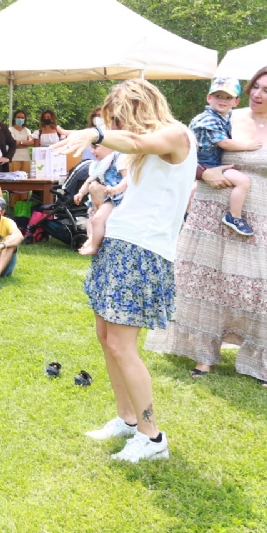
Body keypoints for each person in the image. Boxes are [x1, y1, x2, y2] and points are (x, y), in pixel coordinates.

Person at [53, 78, 196, 463]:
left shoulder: (176, 134)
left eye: (121, 118)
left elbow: (134, 143)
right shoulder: (145, 150)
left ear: (138, 109)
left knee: (121, 344)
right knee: (106, 337)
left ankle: (152, 438)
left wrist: (96, 131)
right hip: (120, 244)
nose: (120, 127)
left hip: (142, 251)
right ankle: (127, 419)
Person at [146, 64, 267, 389]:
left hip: (261, 221)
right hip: (210, 211)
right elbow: (191, 154)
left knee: (259, 291)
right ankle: (204, 354)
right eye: (256, 86)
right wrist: (203, 173)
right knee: (207, 284)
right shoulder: (228, 114)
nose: (257, 94)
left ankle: (262, 362)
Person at [188, 77, 260, 236]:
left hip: (207, 162)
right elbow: (224, 143)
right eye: (218, 96)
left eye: (228, 97)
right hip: (206, 163)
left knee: (195, 188)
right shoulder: (208, 118)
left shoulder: (224, 116)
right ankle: (234, 216)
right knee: (243, 181)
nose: (223, 100)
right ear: (209, 98)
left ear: (236, 102)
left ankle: (186, 211)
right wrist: (247, 146)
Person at [74, 143, 128, 256]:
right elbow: (89, 180)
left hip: (113, 197)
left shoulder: (119, 158)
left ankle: (94, 246)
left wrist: (117, 188)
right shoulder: (99, 164)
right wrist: (80, 192)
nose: (92, 152)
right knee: (90, 221)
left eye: (95, 147)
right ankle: (91, 239)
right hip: (100, 196)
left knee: (97, 220)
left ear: (110, 146)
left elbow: (127, 177)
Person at [9, 110, 33, 174]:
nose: (20, 119)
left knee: (26, 180)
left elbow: (31, 142)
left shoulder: (27, 130)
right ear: (14, 118)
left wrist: (20, 143)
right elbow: (13, 144)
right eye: (18, 117)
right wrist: (25, 143)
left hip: (26, 159)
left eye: (22, 118)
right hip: (14, 158)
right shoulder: (10, 130)